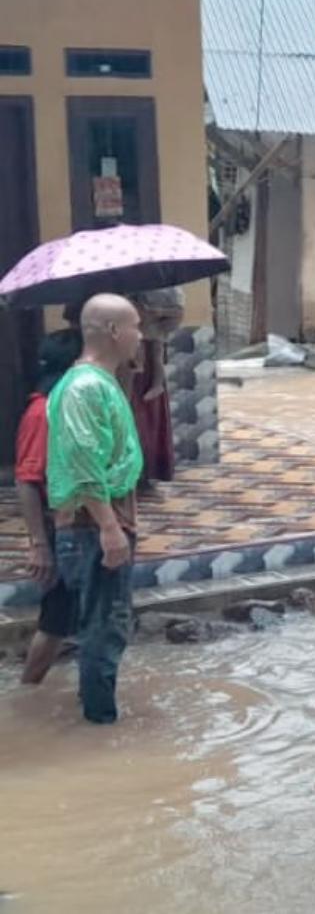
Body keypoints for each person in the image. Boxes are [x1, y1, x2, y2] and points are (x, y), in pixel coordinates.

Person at [47, 293, 143, 725]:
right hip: (91, 526)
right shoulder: (85, 387)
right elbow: (85, 460)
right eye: (137, 327)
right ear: (114, 332)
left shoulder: (100, 383)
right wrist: (108, 527)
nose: (141, 336)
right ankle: (101, 726)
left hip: (98, 521)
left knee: (104, 626)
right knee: (104, 631)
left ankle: (94, 713)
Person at [15, 329, 83, 684]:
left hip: (75, 524)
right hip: (60, 529)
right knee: (55, 619)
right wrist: (40, 545)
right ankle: (28, 690)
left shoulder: (65, 403)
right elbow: (26, 480)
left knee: (71, 614)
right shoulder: (43, 412)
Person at [129, 287, 184, 495]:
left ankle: (144, 471)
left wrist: (155, 313)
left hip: (146, 356)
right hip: (130, 355)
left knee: (143, 416)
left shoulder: (169, 290)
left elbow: (176, 316)